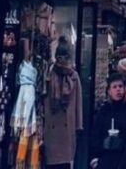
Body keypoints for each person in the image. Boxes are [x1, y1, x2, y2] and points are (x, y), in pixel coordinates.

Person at [43, 38, 82, 169]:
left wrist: (78, 126)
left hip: (68, 127)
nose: (62, 60)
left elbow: (78, 104)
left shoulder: (73, 76)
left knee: (65, 163)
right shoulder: (49, 74)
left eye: (65, 56)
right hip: (51, 127)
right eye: (59, 56)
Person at [90, 72, 126, 169]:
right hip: (106, 161)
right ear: (109, 91)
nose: (118, 89)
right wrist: (96, 156)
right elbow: (95, 136)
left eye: (120, 86)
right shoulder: (103, 112)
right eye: (115, 87)